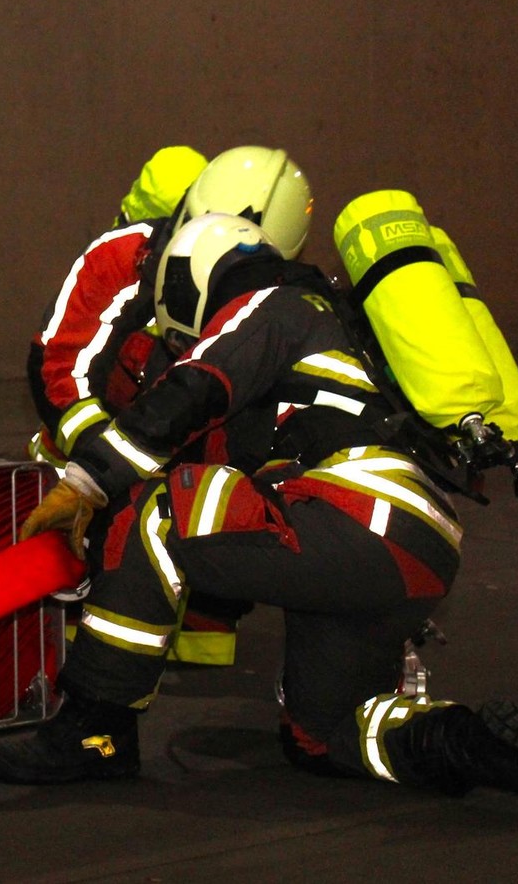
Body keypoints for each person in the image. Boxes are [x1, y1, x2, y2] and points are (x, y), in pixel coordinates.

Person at [0, 206, 518, 820]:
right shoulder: (341, 341)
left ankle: (93, 732)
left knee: (160, 514)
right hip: (411, 547)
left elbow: (199, 387)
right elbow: (230, 496)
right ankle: (464, 743)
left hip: (357, 513)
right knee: (326, 735)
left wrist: (88, 484)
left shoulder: (278, 305)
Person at [28, 145, 312, 663]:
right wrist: (99, 470)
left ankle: (202, 615)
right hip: (97, 452)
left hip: (194, 478)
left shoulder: (283, 309)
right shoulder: (122, 257)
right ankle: (71, 582)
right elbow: (59, 364)